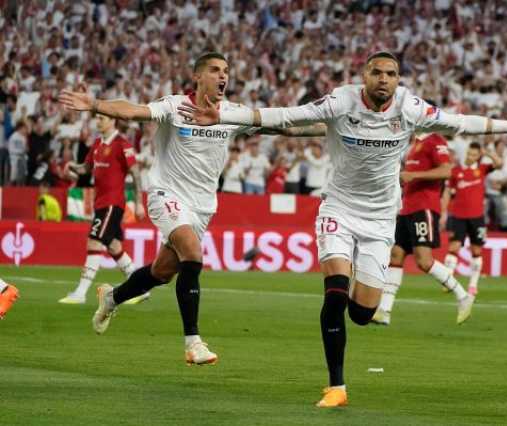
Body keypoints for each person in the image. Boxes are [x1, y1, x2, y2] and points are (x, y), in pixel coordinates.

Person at [178, 51, 507, 407]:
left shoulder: (410, 108)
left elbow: (463, 123)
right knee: (334, 292)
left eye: (391, 74)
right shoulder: (341, 101)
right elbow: (285, 115)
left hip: (381, 219)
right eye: (376, 72)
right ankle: (337, 386)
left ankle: (350, 315)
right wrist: (226, 116)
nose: (383, 79)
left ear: (398, 80)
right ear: (364, 76)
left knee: (362, 313)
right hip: (339, 209)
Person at [59, 52, 315, 366]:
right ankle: (193, 342)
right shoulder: (175, 106)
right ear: (197, 76)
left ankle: (112, 297)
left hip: (202, 207)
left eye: (226, 70)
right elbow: (135, 111)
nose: (223, 76)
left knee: (161, 272)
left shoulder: (232, 114)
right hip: (165, 194)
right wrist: (97, 104)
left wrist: (328, 130)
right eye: (215, 70)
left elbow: (283, 127)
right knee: (192, 254)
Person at [371, 132, 464, 327]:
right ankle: (384, 311)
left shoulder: (435, 140)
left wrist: (414, 175)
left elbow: (447, 171)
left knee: (424, 261)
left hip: (424, 208)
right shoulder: (414, 144)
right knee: (395, 255)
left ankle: (462, 295)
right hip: (407, 208)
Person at [58, 113, 146, 305]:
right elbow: (86, 169)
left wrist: (139, 202)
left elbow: (136, 174)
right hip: (101, 203)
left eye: (102, 118)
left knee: (94, 242)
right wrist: (72, 166)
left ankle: (80, 293)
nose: (98, 121)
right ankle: (141, 288)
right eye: (97, 118)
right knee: (114, 246)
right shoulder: (97, 143)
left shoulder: (123, 144)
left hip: (112, 204)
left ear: (113, 120)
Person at [442, 142, 503, 297]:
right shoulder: (456, 171)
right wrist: (443, 213)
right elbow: (448, 192)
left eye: (474, 154)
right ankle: (448, 281)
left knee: (476, 250)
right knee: (454, 247)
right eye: (469, 153)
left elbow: (499, 163)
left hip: (477, 218)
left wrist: (488, 153)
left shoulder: (482, 169)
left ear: (478, 156)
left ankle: (473, 285)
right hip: (458, 216)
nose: (470, 156)